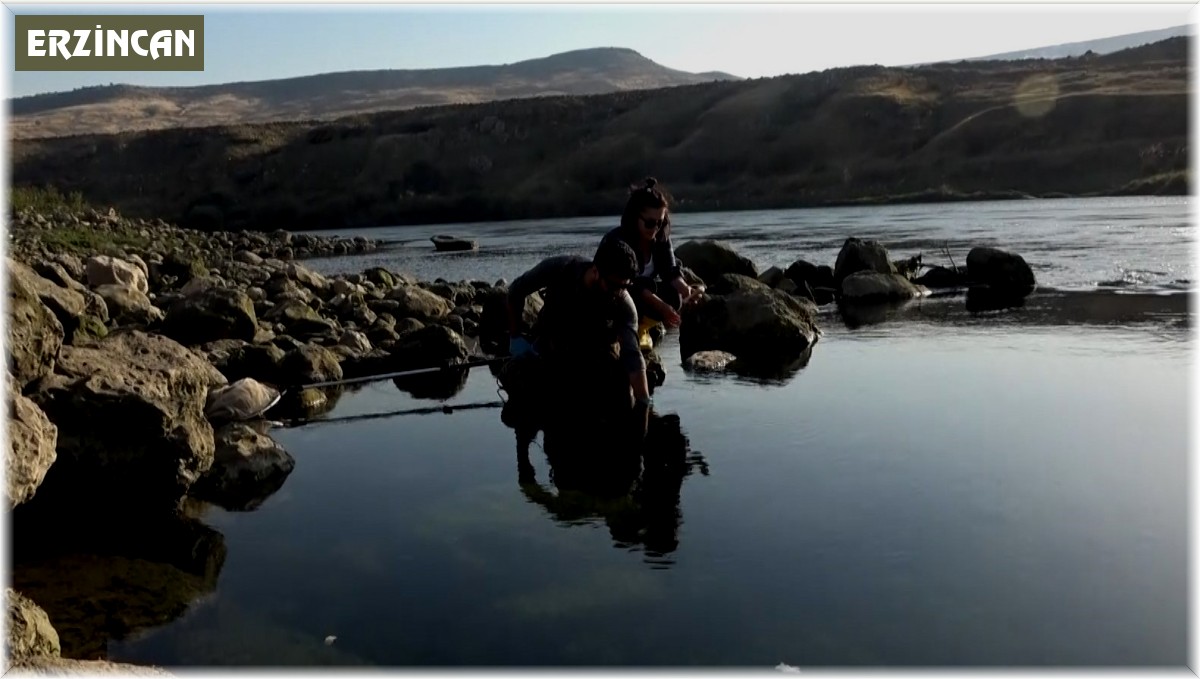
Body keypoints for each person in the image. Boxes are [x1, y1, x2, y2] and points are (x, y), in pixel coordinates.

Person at [503, 237, 653, 429]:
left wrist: (643, 403)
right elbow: (516, 290)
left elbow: (632, 355)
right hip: (552, 347)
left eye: (625, 286)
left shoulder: (624, 303)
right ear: (596, 270)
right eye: (615, 286)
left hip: (596, 354)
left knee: (619, 389)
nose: (619, 292)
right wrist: (515, 337)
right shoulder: (559, 268)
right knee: (522, 381)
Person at [598, 177, 698, 332]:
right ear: (635, 217)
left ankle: (643, 326)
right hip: (616, 296)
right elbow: (630, 285)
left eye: (660, 223)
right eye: (650, 223)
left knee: (674, 297)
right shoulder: (617, 241)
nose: (655, 229)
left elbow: (670, 271)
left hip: (644, 295)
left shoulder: (660, 238)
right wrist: (661, 306)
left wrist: (686, 290)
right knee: (634, 297)